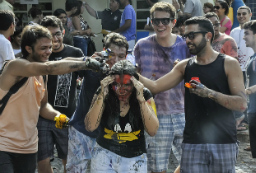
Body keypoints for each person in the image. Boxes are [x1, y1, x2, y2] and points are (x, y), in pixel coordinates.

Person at [138, 16, 246, 172]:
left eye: (191, 36)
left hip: (223, 141)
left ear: (208, 36)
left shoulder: (228, 63)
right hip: (192, 142)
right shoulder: (185, 66)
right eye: (185, 36)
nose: (187, 40)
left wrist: (209, 93)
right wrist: (132, 73)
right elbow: (155, 87)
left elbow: (241, 104)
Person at [0, 24, 107, 173]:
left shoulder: (41, 74)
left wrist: (59, 117)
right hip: (3, 145)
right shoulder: (15, 66)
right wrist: (86, 63)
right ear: (28, 49)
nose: (48, 52)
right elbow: (50, 67)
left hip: (28, 148)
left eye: (50, 47)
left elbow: (43, 107)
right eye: (43, 48)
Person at [134, 2, 190, 173]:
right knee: (157, 168)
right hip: (154, 114)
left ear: (174, 22)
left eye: (165, 20)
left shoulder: (186, 45)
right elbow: (135, 77)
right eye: (156, 21)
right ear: (151, 22)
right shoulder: (142, 45)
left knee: (191, 164)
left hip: (184, 112)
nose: (160, 25)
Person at [66, 32, 130, 172]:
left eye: (121, 56)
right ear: (104, 51)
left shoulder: (126, 73)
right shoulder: (93, 65)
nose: (116, 60)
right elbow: (66, 63)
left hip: (108, 136)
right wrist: (86, 62)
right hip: (81, 131)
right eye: (111, 54)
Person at [85, 60, 159, 173]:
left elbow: (153, 131)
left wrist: (141, 100)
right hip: (104, 154)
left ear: (134, 83)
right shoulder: (104, 92)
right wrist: (102, 95)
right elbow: (90, 126)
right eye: (116, 84)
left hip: (135, 157)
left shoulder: (144, 94)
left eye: (127, 84)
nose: (121, 90)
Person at [36, 16, 84, 173]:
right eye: (49, 35)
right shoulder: (39, 56)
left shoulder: (75, 52)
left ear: (63, 32)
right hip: (41, 117)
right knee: (42, 160)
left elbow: (88, 79)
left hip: (66, 116)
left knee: (68, 160)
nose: (55, 38)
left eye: (57, 33)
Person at [230, 6, 254, 132]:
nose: (241, 16)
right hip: (236, 68)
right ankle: (240, 119)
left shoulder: (254, 30)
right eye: (239, 14)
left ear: (250, 14)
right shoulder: (233, 31)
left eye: (244, 14)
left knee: (250, 93)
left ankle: (247, 120)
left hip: (251, 67)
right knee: (238, 92)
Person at [243, 19, 256, 159]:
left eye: (247, 33)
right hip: (253, 110)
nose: (243, 37)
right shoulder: (254, 56)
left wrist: (244, 92)